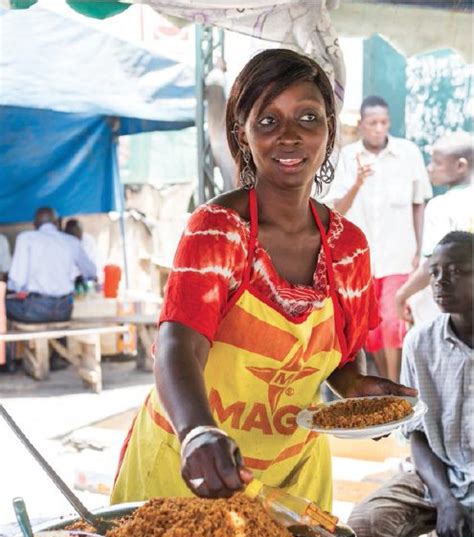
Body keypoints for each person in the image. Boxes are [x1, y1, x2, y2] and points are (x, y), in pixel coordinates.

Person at [111, 49, 414, 507]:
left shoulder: (349, 248)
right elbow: (179, 344)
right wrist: (197, 432)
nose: (289, 137)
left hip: (294, 478)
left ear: (329, 131)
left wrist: (357, 391)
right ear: (244, 134)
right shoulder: (218, 229)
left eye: (308, 118)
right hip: (193, 470)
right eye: (268, 122)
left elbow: (341, 359)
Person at [348, 231, 473, 537]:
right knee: (365, 527)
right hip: (436, 475)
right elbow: (417, 433)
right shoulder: (421, 343)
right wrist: (445, 499)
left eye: (457, 271)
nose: (441, 281)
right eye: (434, 272)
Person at [327, 96, 432, 382]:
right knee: (371, 328)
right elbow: (338, 209)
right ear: (361, 125)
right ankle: (387, 389)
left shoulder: (408, 153)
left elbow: (418, 202)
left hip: (399, 255)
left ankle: (396, 385)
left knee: (393, 324)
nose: (378, 128)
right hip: (362, 260)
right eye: (372, 123)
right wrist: (357, 183)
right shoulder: (348, 158)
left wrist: (420, 249)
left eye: (383, 122)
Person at [395, 132, 473, 325]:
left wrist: (402, 294)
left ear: (461, 166)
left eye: (437, 163)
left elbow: (433, 263)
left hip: (441, 315)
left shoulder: (442, 206)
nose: (430, 168)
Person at [6, 207, 96, 323]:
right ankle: (60, 340)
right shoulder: (71, 241)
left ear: (35, 224)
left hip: (36, 309)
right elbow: (91, 272)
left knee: (4, 305)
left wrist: (17, 289)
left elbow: (17, 282)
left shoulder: (25, 238)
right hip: (64, 310)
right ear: (57, 223)